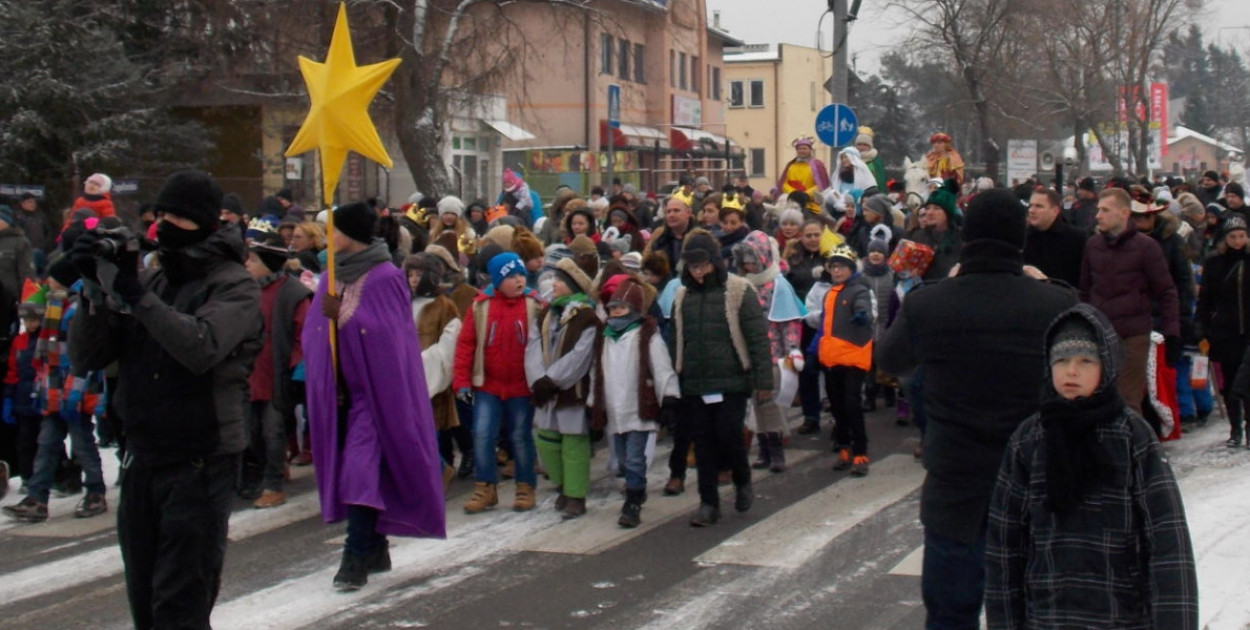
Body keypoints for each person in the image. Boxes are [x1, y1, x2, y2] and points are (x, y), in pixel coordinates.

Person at [66, 170, 263, 627]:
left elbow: (200, 348)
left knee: (180, 604)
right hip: (144, 454)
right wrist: (95, 290)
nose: (166, 224)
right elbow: (88, 357)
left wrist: (134, 294)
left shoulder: (233, 283)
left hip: (200, 458)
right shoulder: (156, 279)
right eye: (162, 213)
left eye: (179, 216)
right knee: (144, 600)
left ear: (207, 223)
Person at [877, 188, 1078, 629]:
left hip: (956, 480)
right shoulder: (1055, 304)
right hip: (1031, 477)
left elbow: (890, 361)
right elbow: (1099, 359)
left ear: (968, 239)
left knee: (951, 611)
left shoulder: (930, 303)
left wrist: (945, 287)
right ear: (1019, 239)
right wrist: (1044, 285)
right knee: (1033, 609)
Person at [986, 304, 1197, 630]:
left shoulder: (1133, 437)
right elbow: (1005, 548)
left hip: (1121, 617)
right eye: (1061, 361)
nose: (1071, 371)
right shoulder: (1028, 440)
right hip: (1047, 617)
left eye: (1085, 361)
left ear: (1106, 365)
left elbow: (1168, 542)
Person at [303, 201, 446, 591]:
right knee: (357, 469)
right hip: (340, 393)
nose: (328, 237)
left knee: (360, 470)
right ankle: (378, 545)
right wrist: (326, 317)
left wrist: (343, 317)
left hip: (374, 393)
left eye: (335, 229)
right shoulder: (330, 274)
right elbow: (316, 330)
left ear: (352, 234)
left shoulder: (385, 276)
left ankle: (354, 558)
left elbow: (388, 337)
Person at [670, 230, 772, 527]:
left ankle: (742, 480)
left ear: (714, 262)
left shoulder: (738, 290)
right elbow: (675, 338)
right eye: (692, 267)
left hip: (731, 380)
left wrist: (763, 381)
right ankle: (708, 502)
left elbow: (756, 337)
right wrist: (675, 376)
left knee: (729, 435)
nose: (698, 272)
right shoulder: (681, 295)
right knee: (702, 443)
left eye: (703, 265)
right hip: (695, 381)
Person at [455, 252, 544, 514]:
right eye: (511, 276)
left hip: (521, 385)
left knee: (520, 436)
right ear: (496, 279)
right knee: (482, 435)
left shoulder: (533, 304)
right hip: (488, 385)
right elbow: (466, 344)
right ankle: (485, 488)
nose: (518, 281)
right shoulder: (480, 306)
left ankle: (525, 486)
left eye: (521, 275)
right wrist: (462, 380)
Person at [1079, 187, 1180, 415]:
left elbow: (1166, 291)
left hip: (1133, 335)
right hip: (1100, 333)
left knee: (1127, 402)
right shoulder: (1093, 245)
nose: (1098, 215)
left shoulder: (1146, 247)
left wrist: (1172, 332)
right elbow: (1084, 290)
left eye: (1105, 210)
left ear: (1124, 213)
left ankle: (1132, 448)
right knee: (1096, 399)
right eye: (1098, 210)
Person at [591, 275, 678, 528]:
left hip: (637, 406)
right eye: (613, 308)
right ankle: (635, 487)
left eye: (621, 307)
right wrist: (592, 404)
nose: (616, 312)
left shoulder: (646, 335)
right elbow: (597, 371)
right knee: (621, 458)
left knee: (634, 457)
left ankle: (633, 500)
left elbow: (661, 367)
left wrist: (669, 395)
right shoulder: (605, 336)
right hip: (614, 408)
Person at [239, 231, 311, 508]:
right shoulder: (246, 290)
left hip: (277, 374)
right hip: (250, 373)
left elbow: (302, 336)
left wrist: (295, 371)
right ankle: (259, 474)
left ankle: (273, 483)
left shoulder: (293, 293)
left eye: (253, 260)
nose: (247, 264)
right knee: (251, 430)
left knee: (273, 429)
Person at [526, 255, 599, 519]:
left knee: (573, 443)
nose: (553, 284)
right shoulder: (546, 314)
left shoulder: (587, 318)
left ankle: (575, 495)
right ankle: (561, 485)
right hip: (545, 390)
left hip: (570, 391)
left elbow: (581, 356)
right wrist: (537, 379)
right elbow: (533, 347)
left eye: (559, 280)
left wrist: (552, 379)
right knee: (546, 441)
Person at [733, 231, 805, 472]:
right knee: (756, 404)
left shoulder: (778, 284)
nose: (748, 264)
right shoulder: (744, 284)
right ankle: (764, 449)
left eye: (752, 259)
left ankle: (776, 452)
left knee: (770, 404)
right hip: (751, 354)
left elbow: (789, 321)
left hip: (773, 355)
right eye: (745, 260)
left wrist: (792, 350)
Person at [805, 243, 875, 475]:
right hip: (831, 357)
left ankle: (861, 451)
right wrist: (814, 352)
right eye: (834, 267)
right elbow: (823, 327)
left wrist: (862, 315)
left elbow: (863, 304)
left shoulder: (859, 289)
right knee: (836, 406)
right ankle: (844, 447)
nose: (837, 271)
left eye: (842, 267)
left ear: (851, 268)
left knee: (852, 404)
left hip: (853, 357)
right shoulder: (829, 294)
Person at [404, 254, 464, 480]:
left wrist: (421, 364)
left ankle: (437, 472)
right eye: (409, 274)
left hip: (431, 383)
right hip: (404, 378)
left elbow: (450, 344)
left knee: (430, 432)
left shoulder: (444, 306)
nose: (413, 280)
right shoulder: (402, 303)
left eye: (418, 275)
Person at [1197, 215, 1250, 446]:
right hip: (1225, 331)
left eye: (1241, 236)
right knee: (1229, 382)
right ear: (1225, 238)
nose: (1238, 241)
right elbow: (1206, 297)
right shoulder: (1215, 262)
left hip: (1248, 331)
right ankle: (1235, 428)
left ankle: (1249, 428)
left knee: (1245, 383)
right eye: (1233, 237)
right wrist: (1200, 324)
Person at [1023, 187, 1086, 287]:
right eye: (1030, 205)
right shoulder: (1022, 237)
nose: (1031, 210)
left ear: (1055, 211)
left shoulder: (1076, 239)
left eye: (1039, 206)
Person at [905, 180, 962, 281]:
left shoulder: (961, 239)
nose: (930, 212)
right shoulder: (918, 237)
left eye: (936, 208)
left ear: (947, 214)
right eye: (928, 208)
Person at [644, 196, 696, 279]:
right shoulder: (659, 239)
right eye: (668, 212)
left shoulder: (700, 238)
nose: (671, 215)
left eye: (676, 210)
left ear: (688, 213)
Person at [0, 205, 34, 301]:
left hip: (9, 299)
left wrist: (27, 299)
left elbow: (27, 274)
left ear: (6, 221)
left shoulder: (19, 242)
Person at [856, 126, 887, 190]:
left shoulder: (876, 162)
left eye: (865, 145)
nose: (862, 147)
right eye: (859, 144)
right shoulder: (851, 159)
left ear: (870, 146)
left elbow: (881, 182)